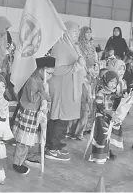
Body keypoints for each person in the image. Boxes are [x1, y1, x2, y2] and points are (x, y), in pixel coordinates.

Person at [46, 21, 86, 161]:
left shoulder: (71, 46)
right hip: (61, 89)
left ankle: (55, 145)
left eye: (77, 32)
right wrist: (75, 67)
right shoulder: (60, 47)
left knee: (63, 119)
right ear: (67, 32)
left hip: (68, 89)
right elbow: (55, 70)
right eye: (74, 32)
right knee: (58, 118)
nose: (77, 35)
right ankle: (51, 148)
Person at [12, 57, 55, 173]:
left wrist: (47, 106)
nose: (50, 76)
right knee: (23, 141)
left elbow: (47, 98)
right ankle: (17, 163)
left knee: (27, 141)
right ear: (41, 70)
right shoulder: (33, 81)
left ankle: (21, 159)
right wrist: (43, 92)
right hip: (28, 113)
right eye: (49, 73)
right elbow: (32, 98)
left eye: (52, 73)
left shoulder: (43, 82)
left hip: (35, 114)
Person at [84, 71, 120, 164]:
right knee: (101, 136)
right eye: (111, 82)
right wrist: (108, 112)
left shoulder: (113, 94)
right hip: (101, 118)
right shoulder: (101, 93)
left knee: (107, 137)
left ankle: (105, 154)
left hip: (109, 119)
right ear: (106, 81)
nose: (113, 84)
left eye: (115, 83)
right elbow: (99, 106)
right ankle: (98, 157)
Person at [67, 58, 99, 140]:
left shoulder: (92, 79)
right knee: (80, 117)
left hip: (86, 101)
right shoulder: (82, 77)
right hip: (82, 100)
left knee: (83, 117)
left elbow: (92, 90)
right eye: (92, 68)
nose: (94, 71)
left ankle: (76, 133)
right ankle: (76, 134)